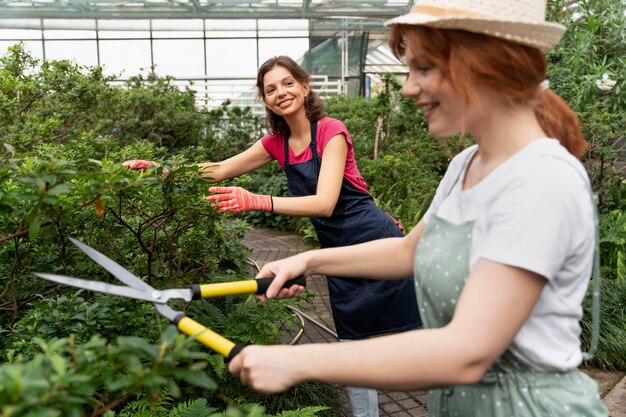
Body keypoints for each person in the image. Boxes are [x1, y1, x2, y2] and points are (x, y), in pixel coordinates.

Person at [226, 1, 609, 416]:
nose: (408, 88)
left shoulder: (541, 179)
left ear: (485, 63)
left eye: (423, 69)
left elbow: (466, 352)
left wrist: (295, 361)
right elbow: (408, 252)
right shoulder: (467, 164)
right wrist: (306, 261)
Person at [124, 55, 422, 417]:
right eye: (270, 89)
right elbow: (219, 170)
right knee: (352, 347)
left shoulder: (331, 130)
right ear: (265, 100)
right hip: (336, 257)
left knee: (418, 336)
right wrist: (162, 171)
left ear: (304, 86)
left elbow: (325, 203)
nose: (280, 92)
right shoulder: (276, 144)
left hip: (377, 243)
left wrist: (256, 201)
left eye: (287, 83)